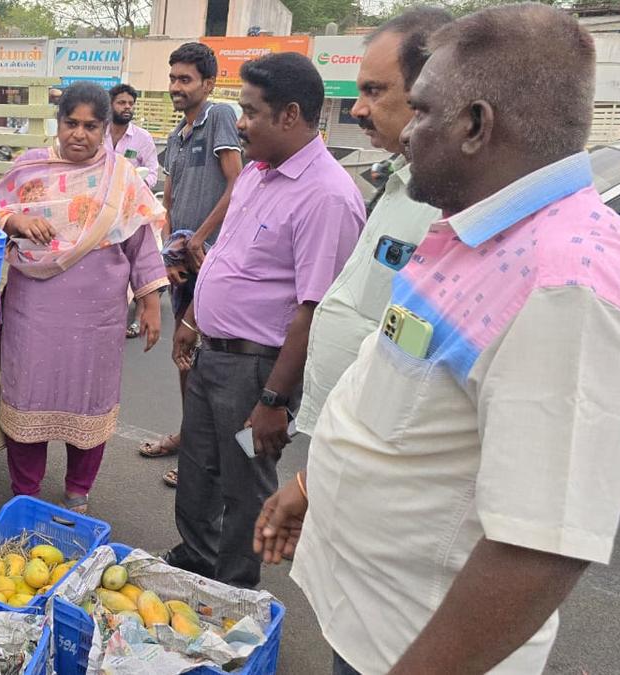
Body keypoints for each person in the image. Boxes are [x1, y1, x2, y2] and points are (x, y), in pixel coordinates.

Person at [256, 6, 620, 673]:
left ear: (476, 125)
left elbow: (540, 547)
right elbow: (404, 395)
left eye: (421, 111)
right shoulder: (473, 230)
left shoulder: (564, 282)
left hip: (416, 648)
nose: (404, 134)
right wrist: (312, 484)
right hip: (372, 624)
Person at [164, 52, 365, 587]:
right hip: (212, 359)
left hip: (257, 376)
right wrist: (193, 323)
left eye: (251, 112)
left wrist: (273, 402)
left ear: (290, 115)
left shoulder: (328, 197)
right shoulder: (256, 172)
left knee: (243, 484)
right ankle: (198, 560)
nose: (242, 123)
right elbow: (229, 255)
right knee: (198, 472)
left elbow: (313, 311)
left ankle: (232, 588)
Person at [0, 81, 168, 515]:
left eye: (90, 126)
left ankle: (77, 495)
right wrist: (16, 220)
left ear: (105, 128)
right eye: (70, 123)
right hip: (34, 310)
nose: (78, 134)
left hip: (98, 316)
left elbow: (141, 240)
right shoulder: (29, 169)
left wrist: (151, 302)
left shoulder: (121, 177)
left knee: (90, 402)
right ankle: (25, 495)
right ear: (58, 122)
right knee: (29, 397)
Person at [297, 6, 452, 437]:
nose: (358, 110)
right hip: (342, 424)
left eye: (374, 91)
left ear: (432, 92)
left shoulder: (447, 204)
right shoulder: (400, 178)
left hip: (376, 436)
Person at [138, 42, 243, 472]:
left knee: (213, 360)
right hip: (184, 261)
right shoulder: (175, 136)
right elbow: (169, 197)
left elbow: (238, 184)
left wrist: (199, 239)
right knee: (184, 355)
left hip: (216, 261)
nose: (176, 87)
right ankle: (190, 436)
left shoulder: (218, 117)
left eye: (186, 79)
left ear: (209, 83)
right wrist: (169, 251)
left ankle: (207, 457)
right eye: (173, 78)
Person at [105, 82, 162, 339]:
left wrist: (137, 184)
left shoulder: (142, 139)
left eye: (130, 104)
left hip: (134, 211)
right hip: (103, 213)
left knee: (137, 262)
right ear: (110, 105)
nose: (127, 108)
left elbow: (153, 171)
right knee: (109, 262)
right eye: (122, 103)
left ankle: (139, 316)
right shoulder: (99, 134)